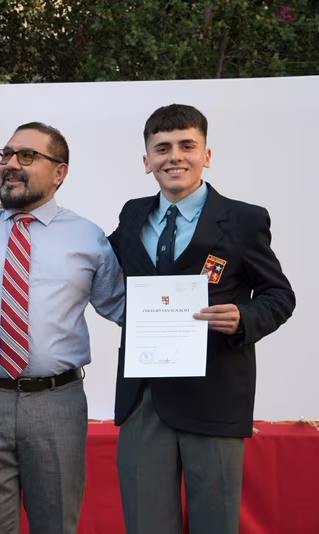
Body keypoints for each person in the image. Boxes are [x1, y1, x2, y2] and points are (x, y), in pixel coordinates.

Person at [108, 104, 296, 534]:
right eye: (162, 148)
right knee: (145, 524)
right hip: (143, 397)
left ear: (206, 156)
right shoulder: (132, 215)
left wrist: (244, 316)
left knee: (215, 524)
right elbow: (103, 265)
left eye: (187, 146)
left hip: (215, 397)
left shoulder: (244, 219)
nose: (174, 156)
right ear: (147, 161)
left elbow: (279, 296)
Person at [0, 122, 124, 534]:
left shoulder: (89, 238)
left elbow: (123, 307)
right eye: (6, 154)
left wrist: (190, 315)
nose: (11, 164)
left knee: (56, 525)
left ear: (60, 172)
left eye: (27, 156)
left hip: (57, 404)